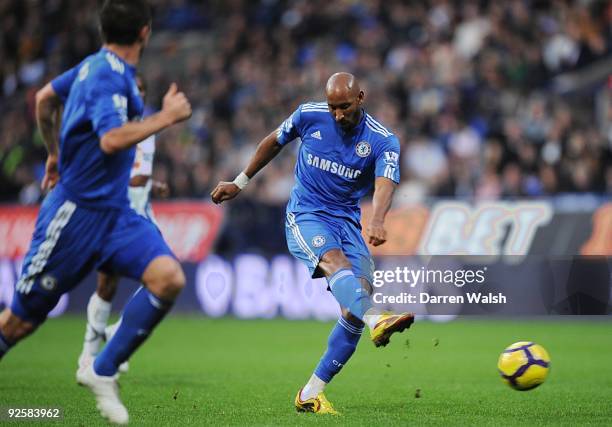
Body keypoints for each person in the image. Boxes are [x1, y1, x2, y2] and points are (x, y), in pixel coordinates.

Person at [0, 0, 191, 424]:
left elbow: (45, 98)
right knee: (18, 323)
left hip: (116, 214)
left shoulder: (93, 66)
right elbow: (110, 140)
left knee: (169, 278)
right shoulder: (107, 75)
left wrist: (53, 154)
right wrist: (167, 116)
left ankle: (101, 370)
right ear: (145, 32)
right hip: (75, 215)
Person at [211, 72, 414, 415]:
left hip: (348, 222)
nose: (337, 114)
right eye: (333, 107)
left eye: (345, 107)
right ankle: (376, 318)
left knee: (354, 307)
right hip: (307, 214)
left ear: (360, 98)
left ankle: (310, 393)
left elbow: (384, 183)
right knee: (336, 265)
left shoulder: (382, 140)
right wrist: (240, 182)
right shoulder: (309, 114)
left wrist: (377, 219)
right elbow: (273, 141)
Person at [77, 74, 170, 375]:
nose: (139, 95)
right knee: (107, 283)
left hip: (139, 214)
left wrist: (151, 185)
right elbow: (135, 175)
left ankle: (115, 335)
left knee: (164, 277)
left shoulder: (145, 128)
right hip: (113, 215)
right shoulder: (111, 125)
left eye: (143, 90)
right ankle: (89, 354)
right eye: (135, 90)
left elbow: (140, 175)